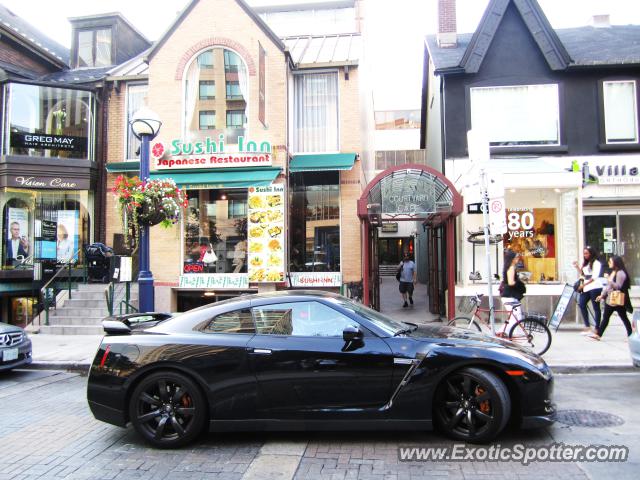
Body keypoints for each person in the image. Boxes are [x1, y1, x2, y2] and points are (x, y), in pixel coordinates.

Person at [590, 255, 634, 340]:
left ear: (615, 263)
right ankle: (598, 335)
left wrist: (608, 279)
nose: (609, 263)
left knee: (623, 317)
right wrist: (602, 295)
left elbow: (618, 286)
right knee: (606, 317)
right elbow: (608, 286)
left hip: (617, 299)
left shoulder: (620, 273)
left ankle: (630, 334)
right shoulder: (613, 272)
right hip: (610, 298)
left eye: (610, 262)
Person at [572, 246, 604, 334]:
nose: (585, 255)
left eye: (586, 253)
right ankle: (587, 326)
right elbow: (583, 274)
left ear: (591, 253)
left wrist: (583, 285)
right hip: (586, 287)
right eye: (584, 253)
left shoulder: (596, 263)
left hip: (595, 287)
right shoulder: (585, 263)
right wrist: (577, 267)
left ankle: (597, 327)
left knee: (596, 307)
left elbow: (594, 277)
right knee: (581, 303)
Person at [500, 250, 526, 334]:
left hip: (509, 296)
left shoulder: (509, 267)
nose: (518, 259)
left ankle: (503, 333)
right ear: (512, 259)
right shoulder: (511, 268)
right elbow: (511, 282)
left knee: (514, 318)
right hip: (509, 296)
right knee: (516, 319)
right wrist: (519, 283)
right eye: (516, 258)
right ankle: (502, 333)